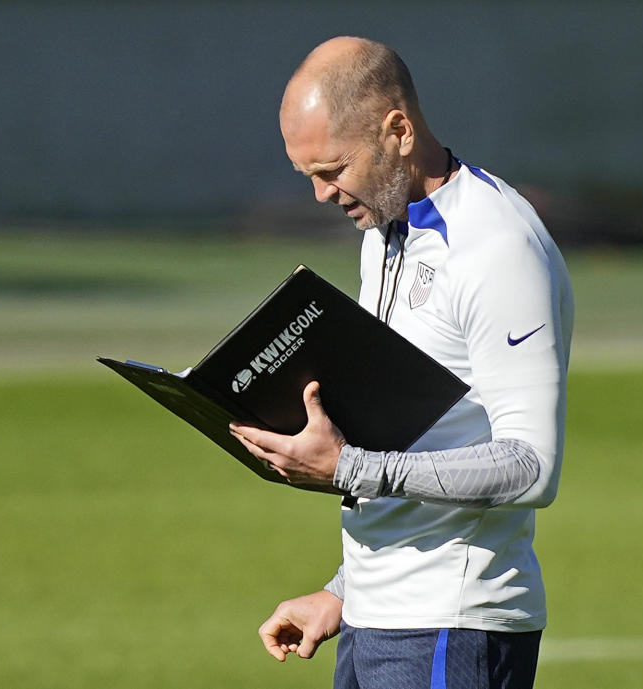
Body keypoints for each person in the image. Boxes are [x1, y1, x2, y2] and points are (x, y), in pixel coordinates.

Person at [229, 36, 573, 689]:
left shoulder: (496, 245)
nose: (321, 194)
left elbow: (532, 466)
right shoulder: (386, 231)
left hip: (453, 625)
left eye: (332, 169)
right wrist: (343, 590)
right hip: (373, 620)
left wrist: (348, 467)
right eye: (307, 175)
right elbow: (419, 426)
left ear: (399, 130)